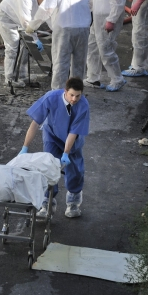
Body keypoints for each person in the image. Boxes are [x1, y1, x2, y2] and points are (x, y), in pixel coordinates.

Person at [18, 77, 90, 219]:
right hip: (52, 135)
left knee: (75, 170)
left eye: (78, 95)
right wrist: (25, 147)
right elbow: (35, 124)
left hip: (72, 141)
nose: (74, 99)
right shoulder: (51, 98)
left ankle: (73, 202)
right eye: (71, 95)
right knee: (48, 167)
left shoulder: (83, 105)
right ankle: (47, 203)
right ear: (65, 91)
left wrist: (66, 153)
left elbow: (73, 132)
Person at [25, 0, 91, 90]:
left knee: (61, 63)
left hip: (64, 30)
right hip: (83, 29)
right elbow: (90, 7)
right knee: (79, 64)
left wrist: (32, 26)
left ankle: (58, 94)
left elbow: (46, 10)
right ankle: (76, 93)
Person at [84, 0, 127, 91]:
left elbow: (118, 1)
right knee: (92, 47)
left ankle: (117, 79)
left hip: (107, 19)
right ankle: (93, 78)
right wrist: (84, 7)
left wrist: (112, 20)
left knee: (106, 50)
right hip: (97, 18)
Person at [0, 0, 48, 88]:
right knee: (13, 47)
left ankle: (23, 75)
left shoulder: (39, 1)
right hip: (6, 17)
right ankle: (10, 78)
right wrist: (35, 39)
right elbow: (26, 23)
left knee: (25, 46)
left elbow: (35, 22)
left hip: (18, 19)